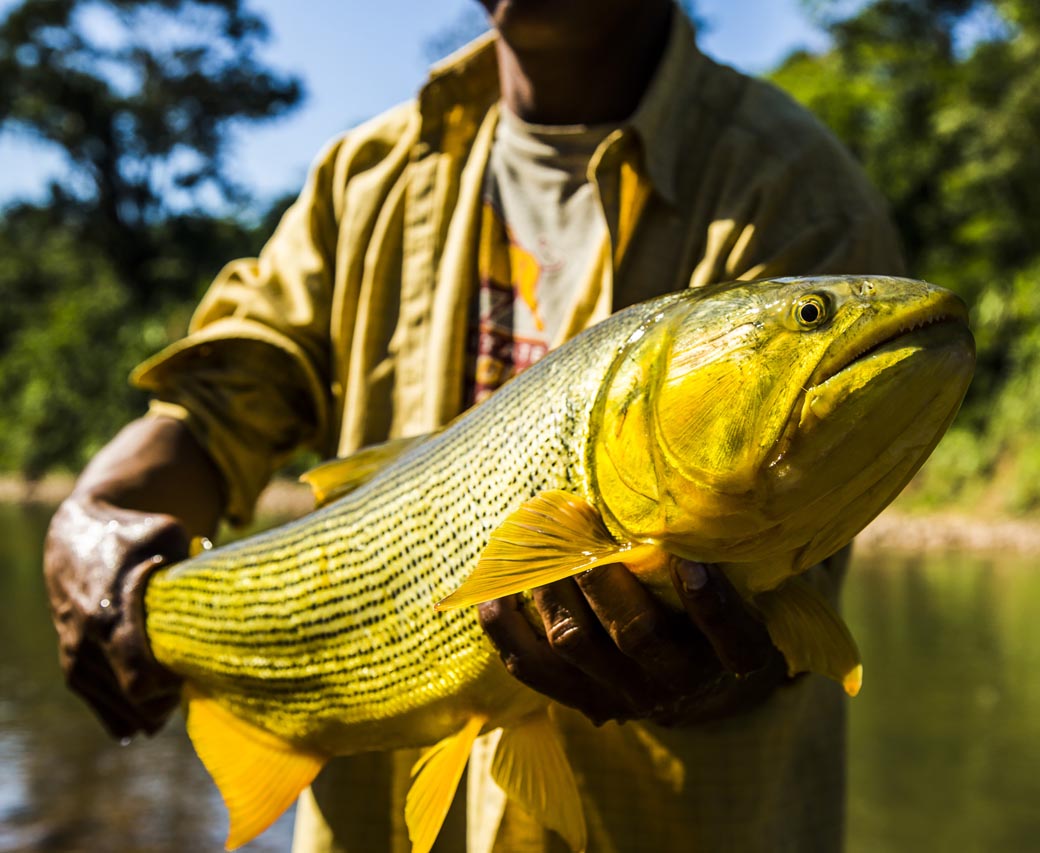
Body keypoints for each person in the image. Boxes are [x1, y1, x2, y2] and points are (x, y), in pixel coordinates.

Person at [42, 1, 904, 850]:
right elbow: (211, 408)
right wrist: (92, 519)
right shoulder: (365, 175)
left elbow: (783, 606)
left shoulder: (795, 193)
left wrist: (714, 671)